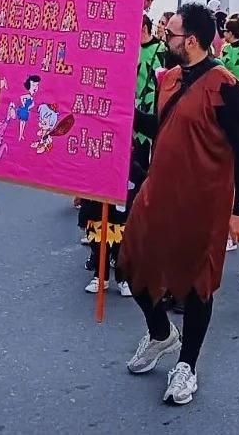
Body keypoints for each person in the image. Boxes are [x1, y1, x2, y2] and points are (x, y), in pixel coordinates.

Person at [117, 3, 239, 407]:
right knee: (130, 265)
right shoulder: (169, 79)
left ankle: (187, 366)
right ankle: (161, 333)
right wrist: (124, 113)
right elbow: (163, 126)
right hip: (158, 191)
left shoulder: (226, 86)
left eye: (170, 33)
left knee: (196, 286)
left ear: (191, 40)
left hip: (204, 201)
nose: (164, 37)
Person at [78, 15, 164, 295]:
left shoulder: (160, 52)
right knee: (97, 208)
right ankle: (99, 262)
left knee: (129, 198)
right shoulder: (117, 52)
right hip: (108, 134)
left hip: (138, 129)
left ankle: (124, 266)